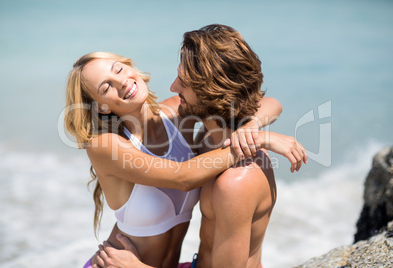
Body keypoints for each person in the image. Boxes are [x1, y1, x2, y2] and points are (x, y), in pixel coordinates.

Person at [90, 24, 307, 268]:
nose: (172, 87)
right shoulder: (204, 135)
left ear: (209, 91)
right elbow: (184, 176)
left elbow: (268, 103)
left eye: (183, 82)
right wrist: (257, 133)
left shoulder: (235, 182)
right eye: (105, 86)